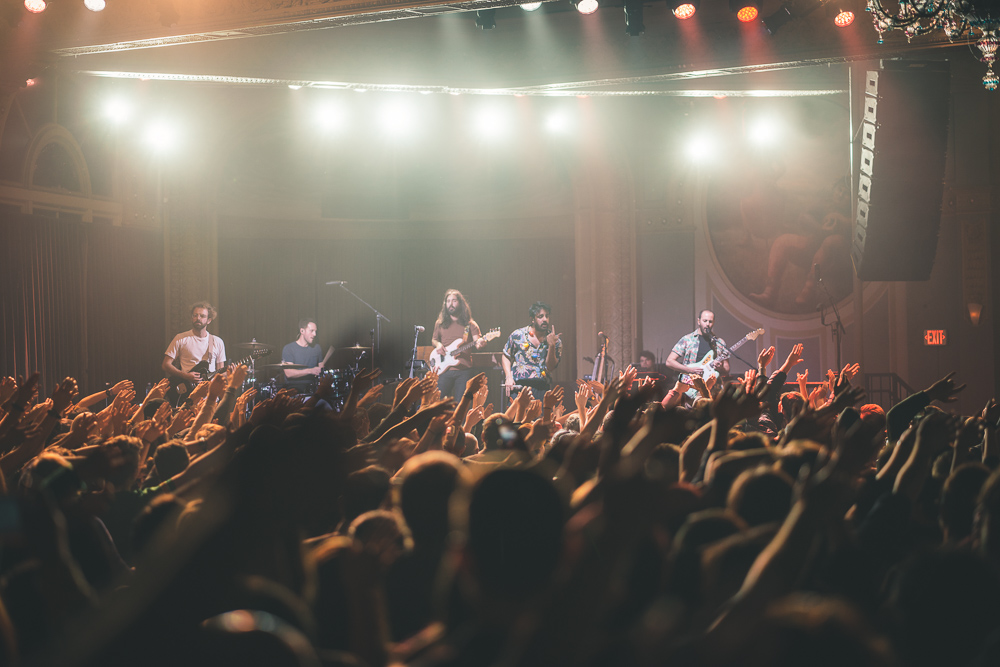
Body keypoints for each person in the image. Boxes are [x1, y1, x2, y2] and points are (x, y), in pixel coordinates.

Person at [431, 290, 487, 401]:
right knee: (436, 403)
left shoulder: (470, 324)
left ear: (460, 303)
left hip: (463, 371)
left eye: (454, 301)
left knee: (461, 405)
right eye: (448, 301)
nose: (450, 304)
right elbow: (434, 340)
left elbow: (478, 344)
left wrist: (482, 342)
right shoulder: (440, 323)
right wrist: (438, 345)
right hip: (444, 371)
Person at [162, 301, 227, 393]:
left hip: (209, 394)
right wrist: (185, 376)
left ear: (209, 320)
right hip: (187, 392)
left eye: (202, 316)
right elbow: (166, 364)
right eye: (195, 315)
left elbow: (221, 372)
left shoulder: (217, 342)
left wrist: (230, 374)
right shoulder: (181, 338)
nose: (198, 318)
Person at [502, 301, 562, 400]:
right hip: (519, 386)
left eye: (547, 316)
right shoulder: (518, 335)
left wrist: (551, 346)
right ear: (532, 319)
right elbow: (506, 355)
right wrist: (508, 377)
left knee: (541, 415)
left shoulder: (555, 340)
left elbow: (551, 367)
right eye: (540, 316)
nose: (545, 320)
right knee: (517, 415)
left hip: (542, 387)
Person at [665, 309, 729, 396]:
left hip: (712, 390)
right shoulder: (688, 339)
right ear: (698, 321)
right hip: (690, 386)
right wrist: (688, 369)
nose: (707, 324)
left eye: (710, 321)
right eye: (704, 321)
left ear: (713, 323)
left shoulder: (719, 342)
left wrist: (720, 368)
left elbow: (727, 368)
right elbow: (669, 361)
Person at [281, 318, 325, 393]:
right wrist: (310, 371)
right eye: (312, 331)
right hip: (294, 391)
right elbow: (289, 373)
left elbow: (321, 368)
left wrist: (321, 370)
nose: (315, 334)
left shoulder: (317, 348)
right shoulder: (289, 348)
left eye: (315, 331)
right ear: (302, 331)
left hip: (313, 389)